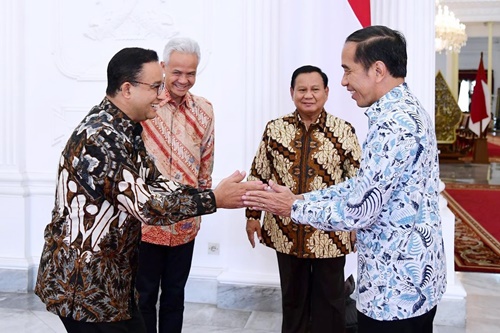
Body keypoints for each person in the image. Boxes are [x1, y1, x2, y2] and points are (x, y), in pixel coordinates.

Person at [34, 47, 262, 333]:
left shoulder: (126, 128)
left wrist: (211, 194)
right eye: (156, 86)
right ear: (127, 89)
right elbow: (146, 206)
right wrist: (213, 199)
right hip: (85, 288)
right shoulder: (101, 138)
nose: (160, 94)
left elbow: (155, 181)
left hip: (113, 284)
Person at [242, 25, 447, 333]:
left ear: (377, 70)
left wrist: (293, 209)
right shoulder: (402, 112)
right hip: (405, 278)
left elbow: (360, 208)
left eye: (348, 71)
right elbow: (361, 185)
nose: (343, 81)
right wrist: (302, 199)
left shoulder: (395, 124)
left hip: (396, 288)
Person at [245, 65, 361, 333]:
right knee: (293, 301)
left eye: (315, 89)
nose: (308, 95)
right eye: (302, 89)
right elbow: (258, 174)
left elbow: (357, 184)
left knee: (331, 303)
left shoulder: (344, 131)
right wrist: (252, 216)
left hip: (330, 232)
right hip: (286, 231)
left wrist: (356, 226)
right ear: (292, 92)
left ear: (327, 92)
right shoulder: (275, 129)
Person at [137, 37, 214, 333]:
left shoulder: (205, 110)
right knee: (142, 297)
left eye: (191, 73)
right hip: (145, 220)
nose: (184, 80)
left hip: (185, 221)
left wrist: (202, 206)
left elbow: (206, 163)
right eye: (177, 72)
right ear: (164, 67)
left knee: (175, 296)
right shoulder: (146, 105)